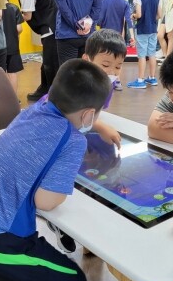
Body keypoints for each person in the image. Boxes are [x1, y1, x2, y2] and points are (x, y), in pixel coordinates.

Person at [0, 59, 112, 281]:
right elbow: (46, 202)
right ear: (88, 115)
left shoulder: (34, 110)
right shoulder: (73, 140)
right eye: (97, 114)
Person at [47, 29, 126, 254]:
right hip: (58, 133)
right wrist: (99, 126)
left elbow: (93, 113)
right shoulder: (74, 83)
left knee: (102, 168)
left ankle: (96, 221)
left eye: (118, 67)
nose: (112, 72)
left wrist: (97, 125)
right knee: (69, 180)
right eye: (106, 65)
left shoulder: (106, 85)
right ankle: (62, 224)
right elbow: (61, 113)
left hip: (80, 131)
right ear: (86, 59)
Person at [0, 0, 59, 101]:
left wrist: (11, 17)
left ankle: (53, 96)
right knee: (47, 63)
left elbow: (27, 16)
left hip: (50, 28)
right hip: (50, 27)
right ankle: (44, 90)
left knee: (50, 65)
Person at [127, 0, 161, 89]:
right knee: (152, 53)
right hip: (153, 29)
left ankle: (140, 80)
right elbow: (159, 15)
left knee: (141, 55)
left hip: (142, 29)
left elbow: (139, 14)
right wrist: (151, 19)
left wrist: (133, 15)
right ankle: (152, 78)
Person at [97, 0, 132, 91]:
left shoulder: (105, 0)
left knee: (104, 59)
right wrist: (132, 37)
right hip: (117, 36)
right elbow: (129, 20)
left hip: (105, 35)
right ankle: (117, 81)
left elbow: (100, 19)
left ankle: (104, 82)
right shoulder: (124, 2)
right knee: (117, 60)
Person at [0, 0, 24, 93]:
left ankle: (2, 99)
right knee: (12, 73)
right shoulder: (14, 8)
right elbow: (19, 28)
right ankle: (13, 99)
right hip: (12, 46)